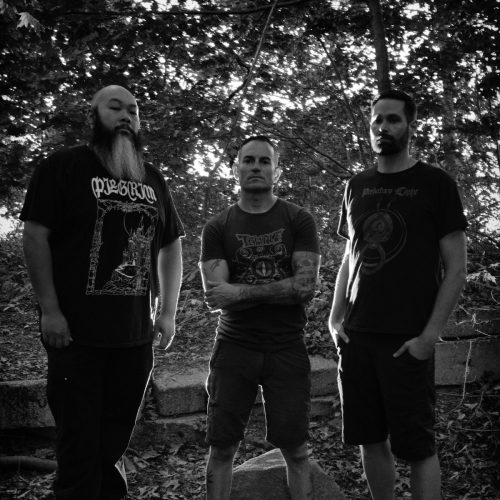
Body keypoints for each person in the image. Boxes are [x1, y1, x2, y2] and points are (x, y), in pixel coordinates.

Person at [20, 85, 184, 500]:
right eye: (115, 108)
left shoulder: (152, 178)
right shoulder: (63, 167)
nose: (127, 116)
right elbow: (36, 236)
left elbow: (171, 245)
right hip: (77, 337)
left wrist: (167, 312)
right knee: (78, 448)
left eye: (134, 110)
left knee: (112, 446)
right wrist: (50, 310)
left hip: (134, 339)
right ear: (92, 116)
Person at [328, 89, 467, 500]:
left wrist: (429, 337)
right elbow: (351, 257)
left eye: (393, 119)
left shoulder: (436, 184)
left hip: (407, 340)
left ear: (409, 126)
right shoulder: (356, 185)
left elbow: (457, 269)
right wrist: (335, 317)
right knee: (370, 439)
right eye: (377, 120)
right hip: (357, 337)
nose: (383, 127)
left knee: (418, 447)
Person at [199, 135, 321, 500]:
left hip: (287, 348)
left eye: (264, 161)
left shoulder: (298, 220)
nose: (255, 166)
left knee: (296, 451)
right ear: (235, 169)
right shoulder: (218, 227)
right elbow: (216, 296)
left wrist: (240, 293)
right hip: (234, 348)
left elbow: (304, 288)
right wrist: (277, 289)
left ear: (277, 172)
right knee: (222, 448)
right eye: (248, 160)